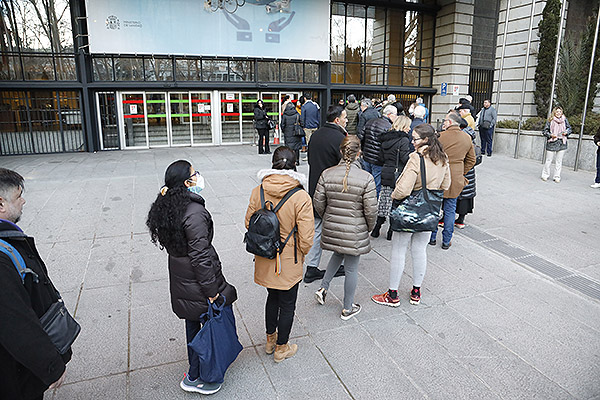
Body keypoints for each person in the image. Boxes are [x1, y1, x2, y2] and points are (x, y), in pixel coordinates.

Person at [146, 160, 237, 395]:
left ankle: (193, 372)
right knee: (209, 326)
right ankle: (206, 377)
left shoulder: (167, 206)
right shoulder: (194, 212)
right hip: (198, 280)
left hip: (180, 277)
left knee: (192, 323)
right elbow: (200, 257)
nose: (198, 176)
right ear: (187, 183)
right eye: (194, 173)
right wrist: (212, 291)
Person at [0, 168, 73, 400]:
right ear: (0, 203)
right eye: (18, 195)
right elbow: (14, 321)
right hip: (14, 372)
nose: (24, 201)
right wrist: (50, 366)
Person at [245, 147, 314, 362]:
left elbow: (249, 222)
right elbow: (307, 237)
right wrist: (301, 255)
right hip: (288, 259)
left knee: (272, 297)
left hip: (265, 257)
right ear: (295, 164)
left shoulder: (259, 190)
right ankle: (281, 348)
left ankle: (269, 340)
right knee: (288, 304)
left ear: (273, 163)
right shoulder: (300, 196)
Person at [371, 124, 450, 307]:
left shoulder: (416, 158)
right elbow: (446, 184)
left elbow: (403, 189)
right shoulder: (443, 158)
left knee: (399, 250)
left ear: (426, 140)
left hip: (409, 211)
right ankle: (416, 291)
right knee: (420, 250)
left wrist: (393, 195)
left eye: (415, 139)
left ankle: (392, 294)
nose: (412, 142)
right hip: (429, 211)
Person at [313, 135, 377, 320]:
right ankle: (348, 307)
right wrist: (367, 228)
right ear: (359, 154)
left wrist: (328, 217)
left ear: (341, 151)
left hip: (333, 224)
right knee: (351, 268)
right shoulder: (366, 178)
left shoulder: (327, 173)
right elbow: (371, 210)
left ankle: (324, 287)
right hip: (355, 228)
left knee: (338, 253)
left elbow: (318, 202)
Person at [304, 105, 348, 283]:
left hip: (315, 188)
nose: (346, 120)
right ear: (337, 119)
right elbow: (345, 167)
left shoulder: (315, 135)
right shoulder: (341, 138)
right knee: (339, 228)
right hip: (333, 191)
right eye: (344, 117)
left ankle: (311, 267)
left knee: (316, 229)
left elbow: (309, 160)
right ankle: (336, 265)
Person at [430, 110, 476, 250]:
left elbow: (431, 156)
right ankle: (446, 240)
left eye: (445, 121)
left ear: (449, 122)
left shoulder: (439, 137)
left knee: (435, 208)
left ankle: (431, 237)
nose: (443, 123)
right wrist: (461, 172)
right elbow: (472, 159)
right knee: (450, 209)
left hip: (439, 175)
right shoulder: (466, 138)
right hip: (456, 177)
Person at [372, 115, 412, 240]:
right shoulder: (403, 140)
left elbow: (380, 158)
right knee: (396, 203)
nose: (410, 129)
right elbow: (405, 159)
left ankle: (376, 229)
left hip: (386, 171)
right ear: (404, 126)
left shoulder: (385, 139)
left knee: (384, 202)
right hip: (397, 173)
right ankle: (390, 232)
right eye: (408, 126)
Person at [359, 104, 398, 197]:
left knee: (365, 183)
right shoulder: (389, 126)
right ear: (389, 114)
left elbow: (361, 138)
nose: (396, 117)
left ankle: (364, 200)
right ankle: (373, 205)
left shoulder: (370, 122)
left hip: (367, 157)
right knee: (376, 186)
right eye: (395, 115)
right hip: (378, 160)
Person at [455, 118, 478, 229]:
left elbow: (470, 158)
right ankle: (461, 219)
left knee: (461, 195)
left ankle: (459, 220)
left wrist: (462, 171)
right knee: (465, 195)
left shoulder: (463, 137)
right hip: (468, 170)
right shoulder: (470, 135)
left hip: (463, 169)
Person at [541, 107, 571, 183]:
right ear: (554, 112)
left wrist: (566, 132)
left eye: (560, 112)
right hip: (552, 142)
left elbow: (569, 129)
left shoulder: (564, 120)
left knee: (559, 161)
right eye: (557, 112)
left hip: (561, 142)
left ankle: (557, 176)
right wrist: (551, 135)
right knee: (548, 160)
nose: (558, 113)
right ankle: (545, 174)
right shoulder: (550, 120)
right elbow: (544, 131)